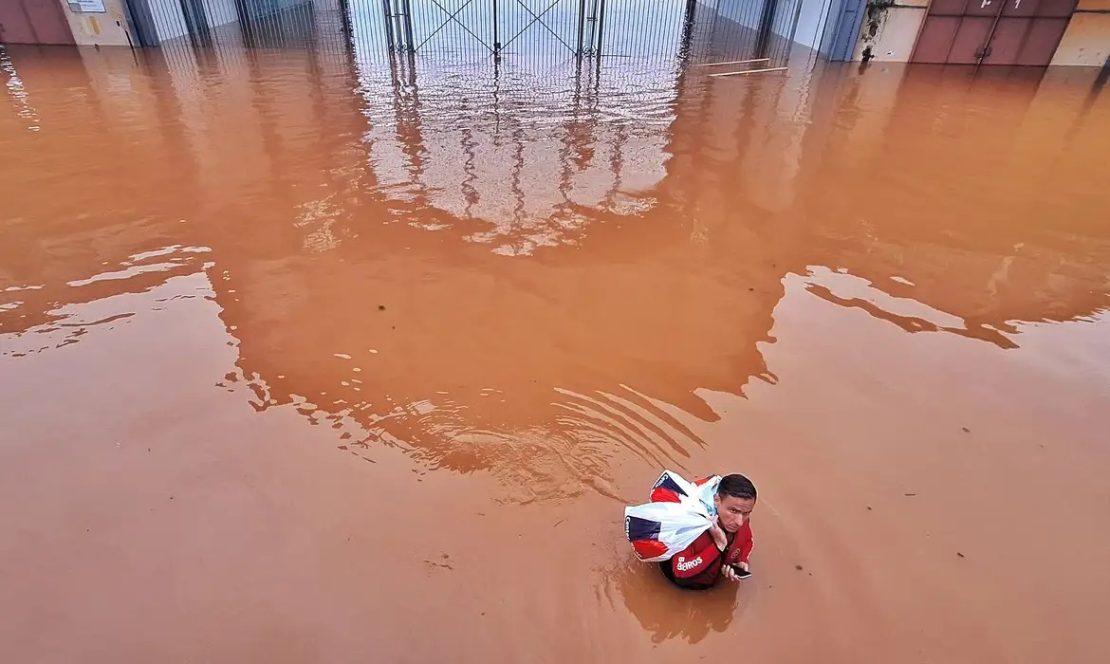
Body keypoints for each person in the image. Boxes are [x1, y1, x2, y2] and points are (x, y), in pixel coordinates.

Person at [659, 473, 756, 590]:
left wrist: (741, 561)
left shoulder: (741, 520)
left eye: (746, 513)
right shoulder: (692, 527)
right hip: (677, 586)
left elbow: (747, 541)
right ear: (717, 500)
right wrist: (718, 546)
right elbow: (680, 570)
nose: (740, 522)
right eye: (733, 511)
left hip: (712, 581)